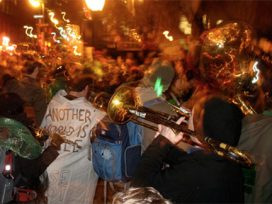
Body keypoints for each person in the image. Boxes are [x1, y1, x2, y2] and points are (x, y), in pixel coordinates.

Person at [131, 95, 245, 203]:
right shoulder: (227, 159)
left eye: (192, 114)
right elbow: (188, 160)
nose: (188, 116)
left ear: (201, 128)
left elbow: (139, 188)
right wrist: (164, 146)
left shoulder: (196, 173)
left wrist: (160, 143)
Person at [40, 76, 106, 204]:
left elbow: (44, 129)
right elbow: (107, 131)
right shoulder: (92, 111)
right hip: (76, 173)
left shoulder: (54, 102)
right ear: (86, 88)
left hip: (49, 163)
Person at [0, 92, 63, 203]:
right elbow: (31, 172)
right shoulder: (21, 134)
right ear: (19, 110)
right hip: (13, 196)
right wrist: (53, 148)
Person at [3, 61, 48, 126]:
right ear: (36, 69)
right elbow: (41, 116)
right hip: (24, 128)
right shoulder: (37, 90)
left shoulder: (11, 85)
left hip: (6, 126)